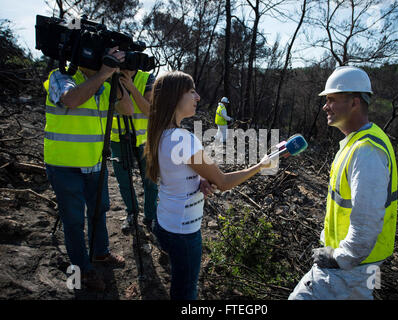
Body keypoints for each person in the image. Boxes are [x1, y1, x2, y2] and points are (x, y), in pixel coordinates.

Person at [145, 71, 275, 300]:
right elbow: (223, 182)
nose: (198, 97)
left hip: (164, 222)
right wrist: (261, 165)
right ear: (175, 96)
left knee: (180, 280)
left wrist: (199, 180)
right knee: (185, 292)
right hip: (183, 232)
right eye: (191, 91)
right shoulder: (183, 138)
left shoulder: (161, 133)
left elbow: (177, 173)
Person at [289, 66, 398, 300]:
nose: (325, 106)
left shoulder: (366, 151)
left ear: (355, 103)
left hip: (350, 267)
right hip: (361, 265)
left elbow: (366, 221)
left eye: (332, 99)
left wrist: (338, 258)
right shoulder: (357, 142)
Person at [44, 47, 133, 291]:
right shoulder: (61, 76)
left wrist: (118, 78)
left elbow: (127, 109)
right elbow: (71, 99)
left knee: (99, 210)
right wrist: (104, 73)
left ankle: (100, 252)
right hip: (64, 164)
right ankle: (81, 269)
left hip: (94, 162)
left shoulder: (105, 83)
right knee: (73, 220)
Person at [110, 69, 159, 232]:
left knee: (150, 180)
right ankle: (132, 212)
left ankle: (150, 217)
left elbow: (149, 110)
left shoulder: (147, 78)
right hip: (117, 138)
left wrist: (131, 87)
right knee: (124, 181)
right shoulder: (109, 73)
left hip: (144, 139)